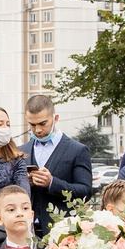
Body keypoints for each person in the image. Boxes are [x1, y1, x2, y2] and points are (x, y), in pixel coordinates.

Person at [20, 92, 93, 237]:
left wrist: (52, 183)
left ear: (55, 118)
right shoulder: (21, 151)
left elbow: (85, 191)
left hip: (63, 233)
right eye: (32, 125)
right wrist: (24, 183)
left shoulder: (77, 150)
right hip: (26, 232)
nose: (37, 130)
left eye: (43, 123)